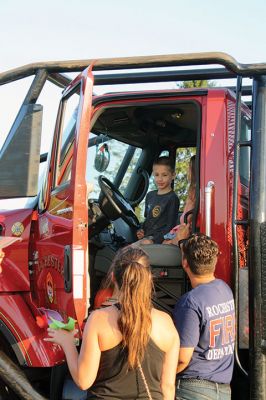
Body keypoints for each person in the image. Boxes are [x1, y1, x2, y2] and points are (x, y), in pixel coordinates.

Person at [45, 246, 179, 399]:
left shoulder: (98, 319)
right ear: (149, 277)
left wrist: (67, 342)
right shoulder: (166, 323)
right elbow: (168, 387)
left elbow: (83, 381)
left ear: (114, 277)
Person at [173, 233, 235, 400]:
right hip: (223, 390)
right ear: (213, 262)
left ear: (185, 263)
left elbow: (182, 359)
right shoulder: (225, 290)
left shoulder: (190, 302)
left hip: (192, 389)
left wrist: (160, 376)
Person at [136, 156, 180, 244]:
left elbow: (170, 227)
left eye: (164, 175)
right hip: (146, 238)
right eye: (156, 175)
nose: (160, 179)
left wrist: (153, 240)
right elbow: (148, 220)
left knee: (126, 253)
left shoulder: (172, 198)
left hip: (159, 242)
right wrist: (141, 230)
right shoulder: (150, 195)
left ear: (173, 175)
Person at [163, 155, 196, 244]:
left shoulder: (194, 194)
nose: (187, 171)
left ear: (193, 171)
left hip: (185, 231)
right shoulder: (193, 193)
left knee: (164, 244)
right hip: (182, 228)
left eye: (189, 168)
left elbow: (188, 219)